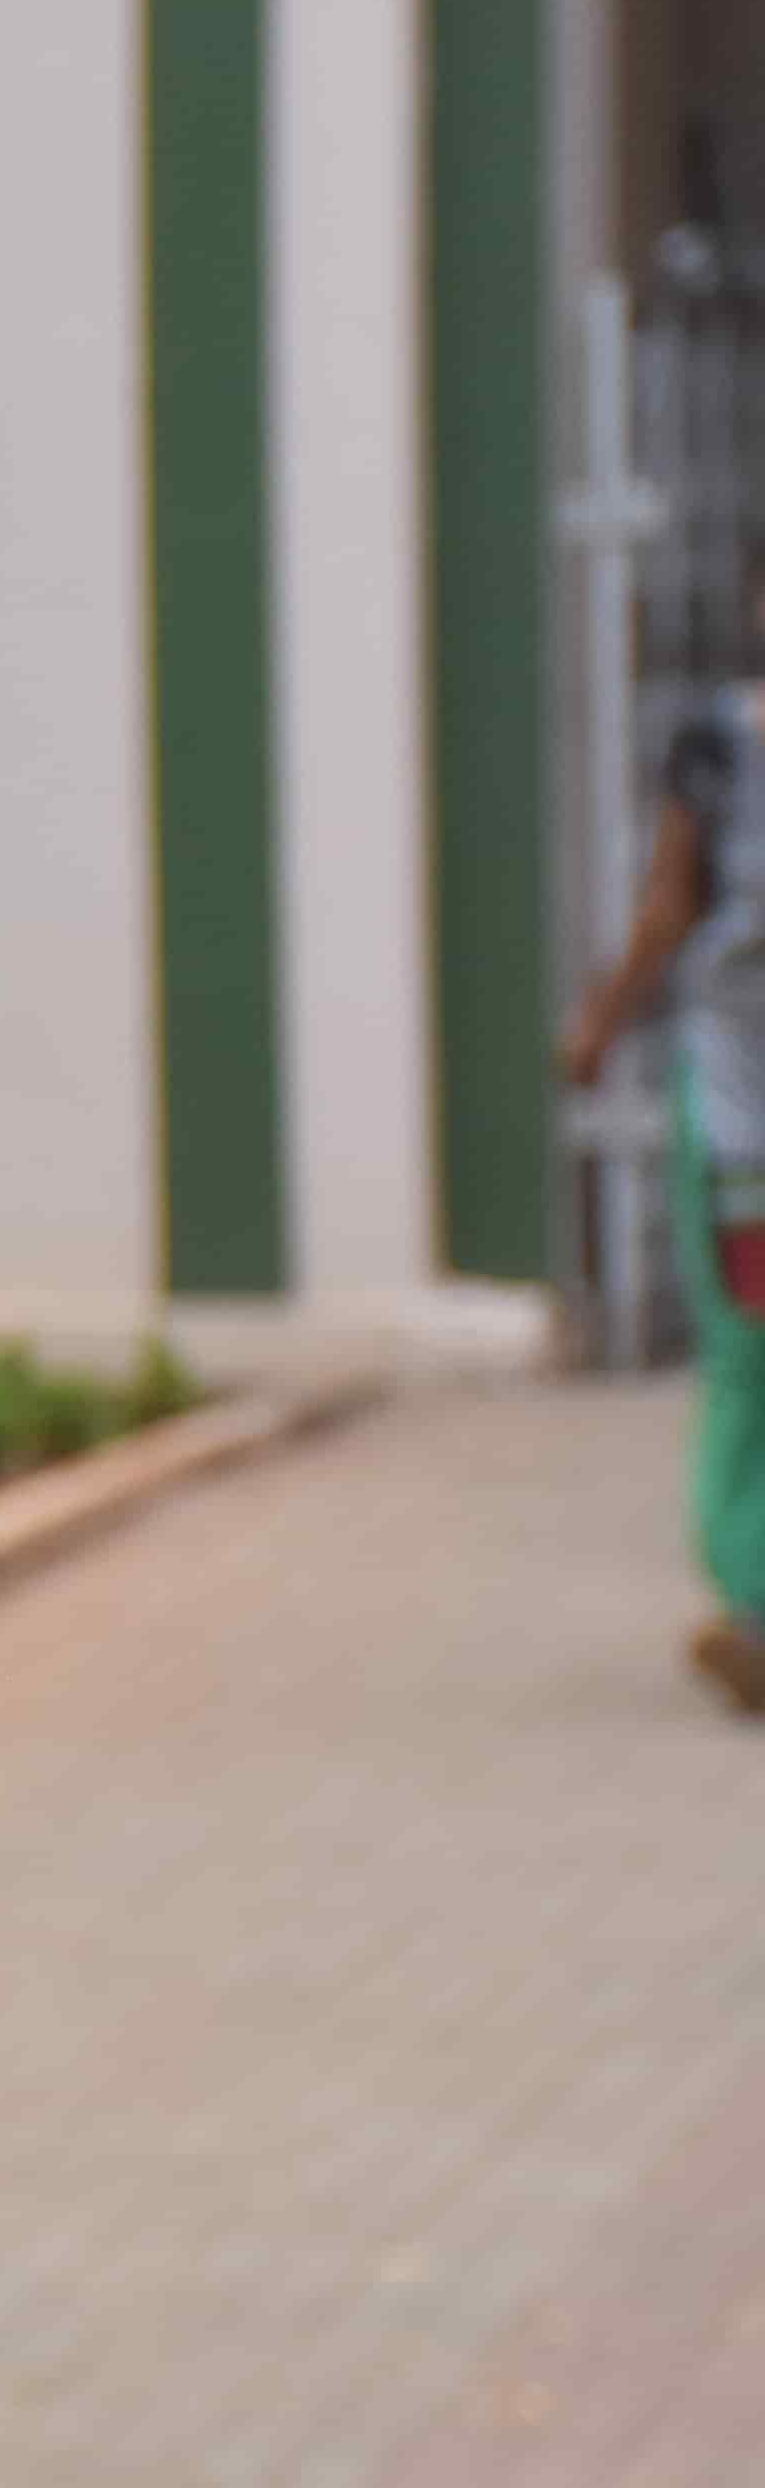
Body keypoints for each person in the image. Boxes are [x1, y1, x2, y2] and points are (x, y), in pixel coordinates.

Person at [561, 665, 765, 1714]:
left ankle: (758, 1606)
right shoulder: (714, 746)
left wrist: (597, 1021)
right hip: (742, 1107)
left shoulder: (720, 747)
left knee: (746, 1356)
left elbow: (669, 906)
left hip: (741, 1115)